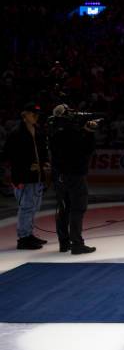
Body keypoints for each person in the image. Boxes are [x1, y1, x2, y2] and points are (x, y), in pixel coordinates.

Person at [48, 105, 98, 254]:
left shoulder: (54, 130)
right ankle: (77, 243)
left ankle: (64, 243)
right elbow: (87, 150)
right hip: (74, 175)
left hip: (60, 176)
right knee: (77, 208)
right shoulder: (71, 132)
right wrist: (88, 133)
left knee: (63, 208)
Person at [3, 102, 49, 250]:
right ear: (24, 115)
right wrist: (21, 173)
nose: (36, 116)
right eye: (32, 113)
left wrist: (45, 163)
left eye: (37, 114)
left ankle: (29, 234)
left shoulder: (38, 131)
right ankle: (23, 238)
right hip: (23, 178)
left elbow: (43, 152)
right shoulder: (16, 133)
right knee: (26, 208)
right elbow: (8, 156)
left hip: (38, 177)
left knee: (34, 207)